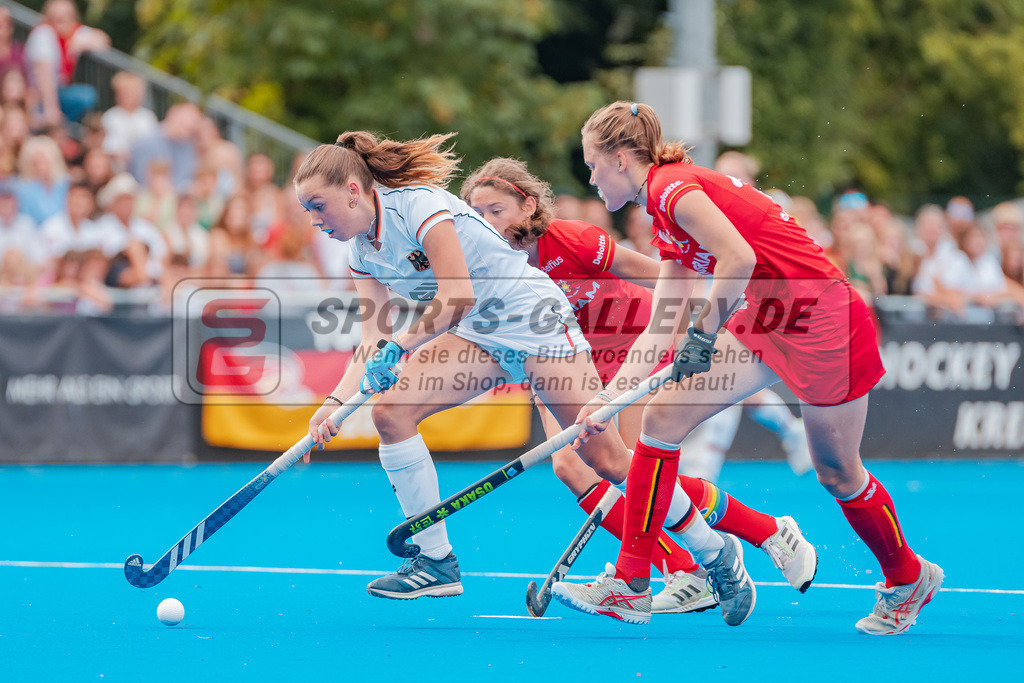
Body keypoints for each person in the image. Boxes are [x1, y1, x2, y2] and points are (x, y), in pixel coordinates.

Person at [295, 131, 751, 625]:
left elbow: (456, 297)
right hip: (480, 337)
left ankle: (713, 552)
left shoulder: (418, 206)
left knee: (606, 456)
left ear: (353, 190)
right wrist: (334, 403)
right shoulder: (362, 253)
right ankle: (434, 560)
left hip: (532, 318)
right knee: (391, 413)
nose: (316, 221)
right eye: (307, 211)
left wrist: (399, 347)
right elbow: (370, 341)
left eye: (319, 206)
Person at [554, 101, 943, 636]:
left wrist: (705, 331)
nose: (591, 177)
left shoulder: (673, 188)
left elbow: (740, 259)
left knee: (837, 471)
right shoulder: (662, 212)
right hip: (769, 317)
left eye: (592, 164)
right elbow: (660, 327)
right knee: (660, 422)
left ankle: (908, 576)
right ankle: (631, 583)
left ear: (621, 159)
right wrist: (605, 401)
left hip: (825, 319)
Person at [461, 157, 817, 615]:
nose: (485, 223)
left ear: (527, 206)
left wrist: (699, 322)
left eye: (496, 210)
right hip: (564, 361)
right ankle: (690, 565)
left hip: (628, 351)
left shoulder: (571, 241)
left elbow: (658, 276)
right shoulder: (483, 269)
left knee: (626, 467)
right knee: (572, 468)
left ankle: (761, 532)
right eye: (477, 214)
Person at [25, 0, 110, 127]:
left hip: (60, 90)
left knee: (87, 96)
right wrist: (51, 108)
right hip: (41, 95)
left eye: (64, 16)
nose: (60, 19)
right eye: (57, 16)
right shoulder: (43, 34)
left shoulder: (71, 34)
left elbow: (103, 40)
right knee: (84, 97)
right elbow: (44, 74)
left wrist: (84, 44)